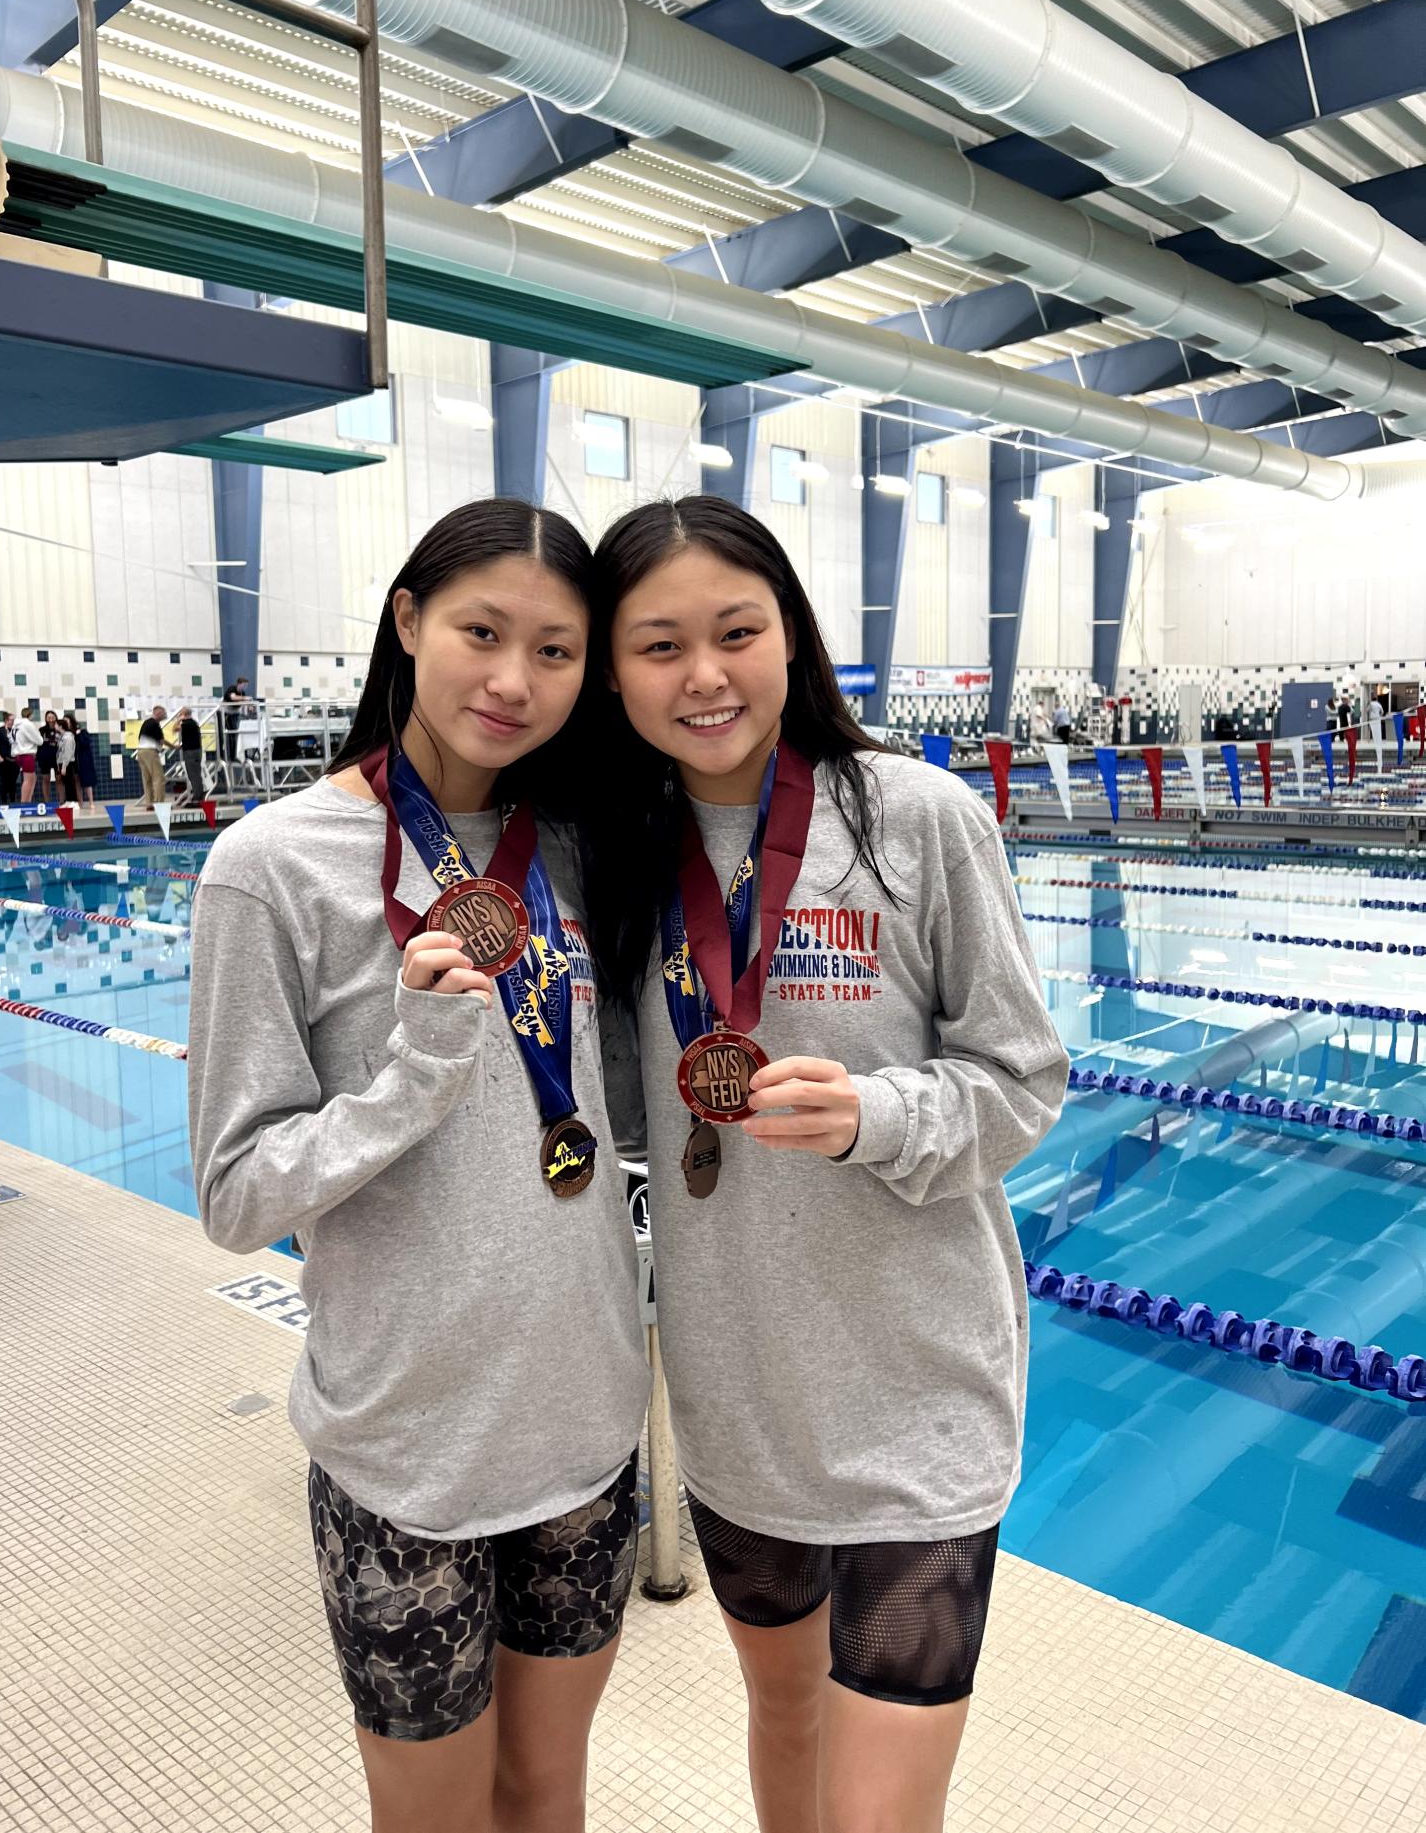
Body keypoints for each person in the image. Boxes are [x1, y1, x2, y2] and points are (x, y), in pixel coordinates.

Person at [584, 497, 1067, 1833]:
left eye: (737, 631)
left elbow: (1025, 1079)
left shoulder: (915, 819)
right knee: (784, 1721)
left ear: (790, 637)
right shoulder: (617, 862)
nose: (705, 675)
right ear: (612, 670)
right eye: (659, 644)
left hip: (921, 1396)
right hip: (740, 1397)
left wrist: (880, 1114)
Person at [187, 500, 648, 1833]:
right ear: (407, 622)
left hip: (585, 1430)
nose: (512, 680)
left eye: (556, 651)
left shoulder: (580, 853)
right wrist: (413, 1079)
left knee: (546, 1799)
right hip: (407, 1455)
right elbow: (235, 1194)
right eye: (480, 632)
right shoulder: (269, 869)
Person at [137, 707, 169, 806]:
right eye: (164, 713)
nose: (165, 716)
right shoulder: (155, 724)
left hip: (141, 751)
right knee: (159, 778)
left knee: (147, 779)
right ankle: (159, 803)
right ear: (158, 713)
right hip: (150, 751)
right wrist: (174, 746)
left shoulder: (146, 723)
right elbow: (161, 741)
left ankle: (149, 803)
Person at [221, 674, 253, 772]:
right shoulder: (232, 689)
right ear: (239, 684)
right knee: (229, 734)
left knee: (235, 734)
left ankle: (234, 755)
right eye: (244, 685)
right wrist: (245, 699)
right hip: (225, 713)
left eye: (246, 686)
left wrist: (250, 706)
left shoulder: (242, 693)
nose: (244, 687)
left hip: (234, 713)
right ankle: (227, 755)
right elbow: (233, 698)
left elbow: (244, 701)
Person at [11, 708, 42, 805]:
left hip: (18, 754)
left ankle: (28, 802)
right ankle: (24, 803)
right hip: (26, 754)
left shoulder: (15, 726)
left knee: (32, 778)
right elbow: (39, 740)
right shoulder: (28, 724)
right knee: (28, 780)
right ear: (31, 714)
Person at [176, 707, 205, 802]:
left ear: (183, 714)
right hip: (196, 751)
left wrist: (178, 720)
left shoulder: (186, 724)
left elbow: (174, 729)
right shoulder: (193, 723)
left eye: (180, 713)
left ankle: (198, 796)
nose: (179, 715)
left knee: (193, 774)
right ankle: (199, 794)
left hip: (191, 752)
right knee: (196, 773)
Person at [0, 710, 17, 805]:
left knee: (13, 782)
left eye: (13, 720)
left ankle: (13, 801)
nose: (12, 722)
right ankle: (4, 802)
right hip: (4, 760)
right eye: (10, 720)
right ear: (6, 720)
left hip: (15, 761)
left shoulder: (15, 731)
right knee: (5, 781)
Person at [35, 710, 60, 806]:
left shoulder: (59, 729)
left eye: (52, 717)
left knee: (59, 779)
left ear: (55, 717)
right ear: (46, 719)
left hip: (57, 758)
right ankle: (47, 801)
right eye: (48, 717)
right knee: (46, 779)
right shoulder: (42, 730)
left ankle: (61, 800)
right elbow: (38, 744)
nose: (50, 719)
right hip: (44, 758)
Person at [73, 713, 97, 808]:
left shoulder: (83, 733)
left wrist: (78, 735)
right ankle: (80, 802)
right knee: (77, 781)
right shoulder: (70, 734)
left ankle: (91, 801)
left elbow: (85, 743)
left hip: (84, 760)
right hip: (75, 760)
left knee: (87, 782)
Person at [57, 712, 79, 805]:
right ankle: (69, 801)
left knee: (70, 783)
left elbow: (68, 753)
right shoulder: (62, 737)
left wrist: (64, 766)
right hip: (62, 762)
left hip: (68, 763)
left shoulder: (68, 737)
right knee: (66, 783)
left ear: (61, 726)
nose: (55, 726)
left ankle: (73, 801)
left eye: (56, 725)